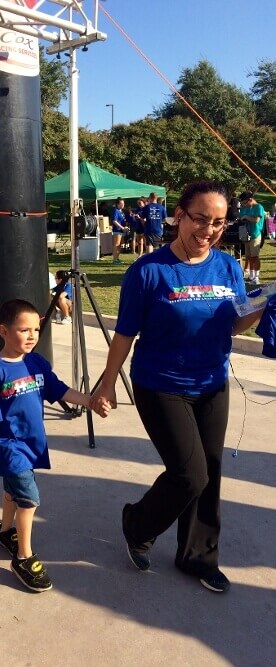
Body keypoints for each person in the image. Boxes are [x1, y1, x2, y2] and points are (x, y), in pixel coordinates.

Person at [90, 180, 264, 594]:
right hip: (160, 384)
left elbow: (233, 323)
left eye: (219, 222)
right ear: (179, 216)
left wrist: (262, 307)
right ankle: (137, 524)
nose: (209, 230)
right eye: (200, 219)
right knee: (190, 474)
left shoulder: (228, 267)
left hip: (212, 382)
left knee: (210, 472)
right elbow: (125, 333)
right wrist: (108, 383)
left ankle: (197, 556)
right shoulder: (148, 271)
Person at [0, 299, 109, 592]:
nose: (32, 336)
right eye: (24, 330)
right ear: (3, 331)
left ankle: (5, 531)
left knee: (13, 490)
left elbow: (59, 390)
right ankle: (23, 557)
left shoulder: (36, 363)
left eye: (36, 329)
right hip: (8, 446)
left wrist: (90, 401)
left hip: (31, 443)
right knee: (29, 499)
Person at [239, 191, 265, 285]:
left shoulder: (258, 207)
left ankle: (256, 277)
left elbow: (256, 220)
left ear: (250, 199)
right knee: (248, 256)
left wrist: (246, 216)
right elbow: (240, 218)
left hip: (255, 234)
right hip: (246, 235)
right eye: (242, 203)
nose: (244, 205)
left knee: (255, 256)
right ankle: (251, 276)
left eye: (245, 203)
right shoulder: (244, 208)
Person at [111, 197, 129, 264]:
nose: (123, 205)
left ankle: (117, 258)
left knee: (120, 245)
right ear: (117, 204)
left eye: (123, 203)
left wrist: (125, 226)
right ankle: (114, 260)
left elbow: (122, 221)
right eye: (121, 203)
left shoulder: (121, 211)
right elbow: (114, 221)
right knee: (116, 244)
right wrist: (122, 227)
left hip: (121, 230)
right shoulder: (116, 211)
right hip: (117, 230)